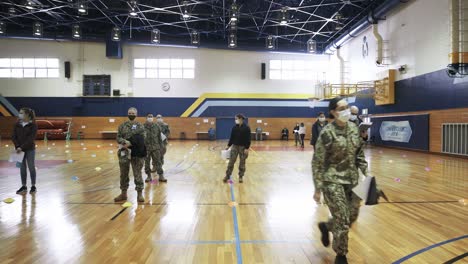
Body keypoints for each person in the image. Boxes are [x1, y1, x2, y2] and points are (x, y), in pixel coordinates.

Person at [312, 97, 369, 264]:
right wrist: (318, 188)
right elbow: (318, 162)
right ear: (333, 112)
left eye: (347, 107)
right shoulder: (327, 133)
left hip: (353, 180)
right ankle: (341, 255)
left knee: (351, 216)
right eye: (341, 108)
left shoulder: (353, 128)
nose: (346, 111)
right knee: (343, 219)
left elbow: (359, 155)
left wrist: (368, 174)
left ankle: (327, 227)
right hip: (333, 181)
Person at [114, 107, 146, 203]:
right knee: (123, 174)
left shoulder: (140, 126)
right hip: (124, 152)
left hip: (136, 153)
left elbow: (143, 137)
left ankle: (139, 194)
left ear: (136, 114)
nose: (131, 114)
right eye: (129, 113)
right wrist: (125, 141)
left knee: (137, 173)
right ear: (127, 113)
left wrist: (131, 143)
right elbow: (118, 137)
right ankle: (123, 193)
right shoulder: (122, 125)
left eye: (133, 113)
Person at [12, 108, 38, 195]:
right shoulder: (17, 124)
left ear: (27, 114)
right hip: (19, 150)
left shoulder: (33, 125)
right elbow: (13, 136)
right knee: (22, 168)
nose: (19, 114)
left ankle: (33, 186)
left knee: (31, 167)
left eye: (21, 113)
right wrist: (17, 146)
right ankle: (23, 186)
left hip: (30, 149)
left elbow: (31, 139)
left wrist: (21, 147)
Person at [223, 114, 251, 183]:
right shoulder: (234, 128)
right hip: (234, 147)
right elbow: (232, 137)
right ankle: (227, 175)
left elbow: (248, 139)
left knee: (242, 163)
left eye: (236, 119)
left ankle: (240, 176)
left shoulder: (247, 128)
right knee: (231, 162)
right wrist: (228, 145)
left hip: (243, 147)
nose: (235, 120)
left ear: (240, 119)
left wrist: (247, 148)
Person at [144, 113, 166, 183]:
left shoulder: (157, 126)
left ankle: (161, 176)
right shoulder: (142, 127)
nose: (150, 118)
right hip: (146, 148)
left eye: (151, 117)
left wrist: (162, 147)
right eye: (149, 117)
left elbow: (160, 137)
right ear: (146, 118)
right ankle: (148, 176)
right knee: (147, 163)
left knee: (158, 162)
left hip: (156, 147)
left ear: (153, 118)